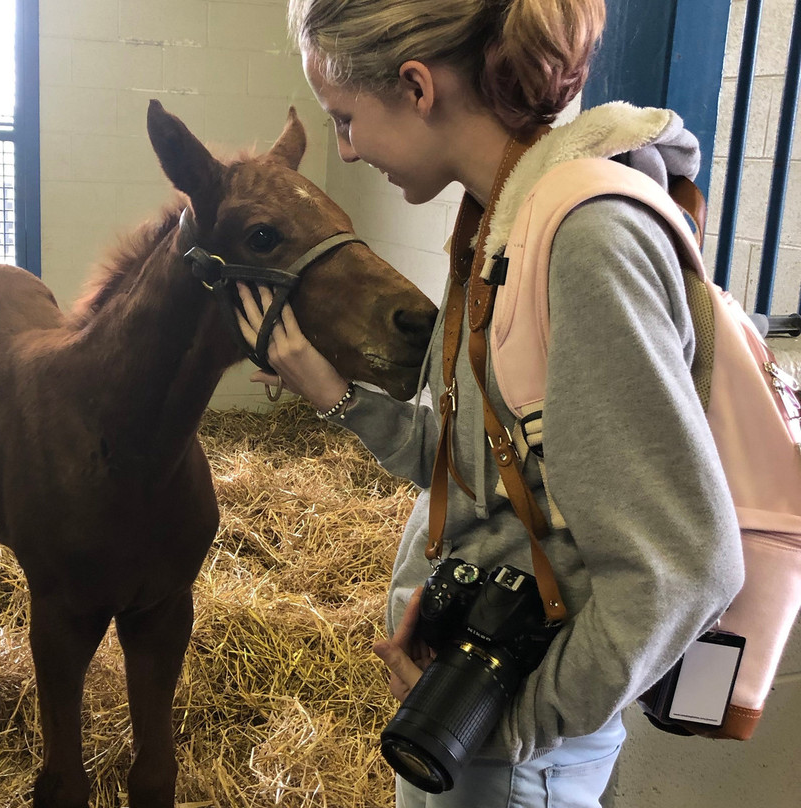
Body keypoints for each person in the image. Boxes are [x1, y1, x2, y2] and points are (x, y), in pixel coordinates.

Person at [235, 1, 745, 806]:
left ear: (415, 86)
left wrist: (511, 727)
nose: (347, 149)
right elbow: (471, 468)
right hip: (463, 715)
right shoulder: (498, 226)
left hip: (505, 753)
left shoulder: (586, 239)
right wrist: (332, 393)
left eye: (345, 119)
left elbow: (684, 567)